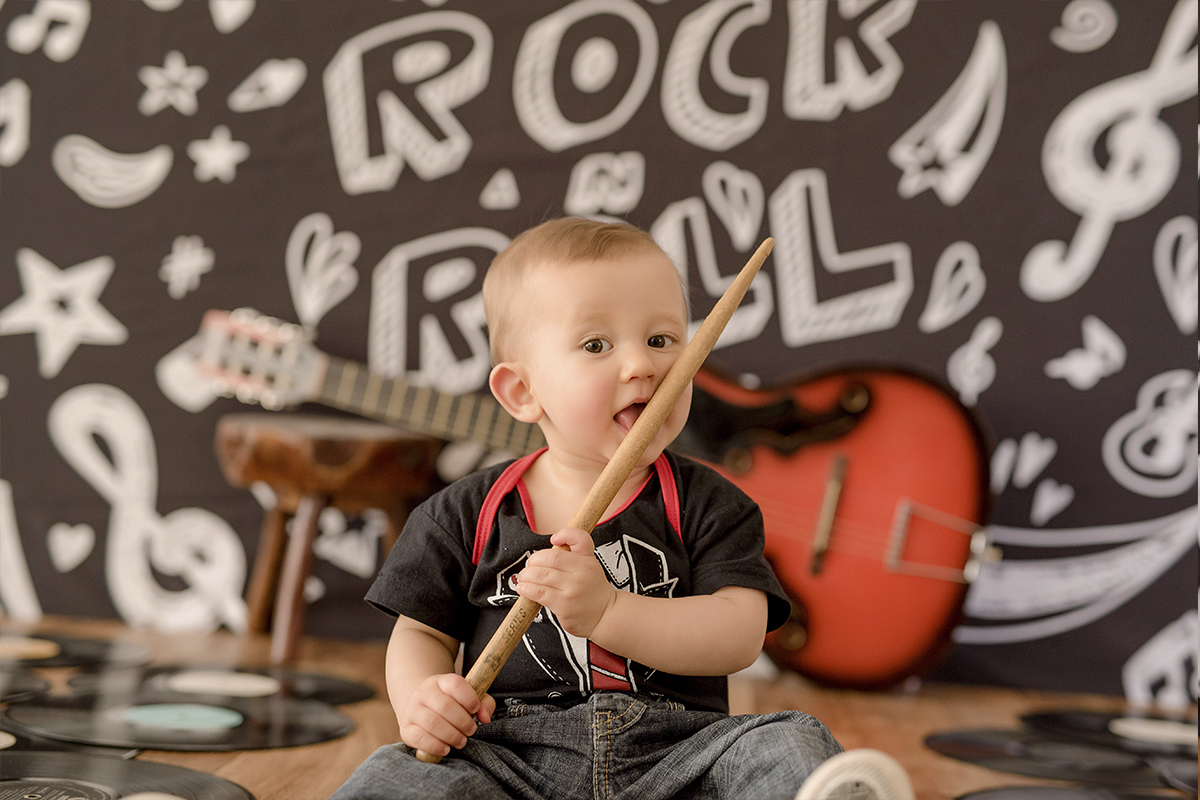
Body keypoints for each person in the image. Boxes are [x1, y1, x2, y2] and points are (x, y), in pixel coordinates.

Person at [330, 218, 913, 800]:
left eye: (662, 340)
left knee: (786, 742)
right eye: (596, 346)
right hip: (512, 760)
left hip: (682, 755)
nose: (642, 366)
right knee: (402, 774)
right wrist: (423, 699)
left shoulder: (710, 504)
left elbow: (739, 634)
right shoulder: (461, 514)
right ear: (522, 393)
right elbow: (420, 633)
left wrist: (610, 611)